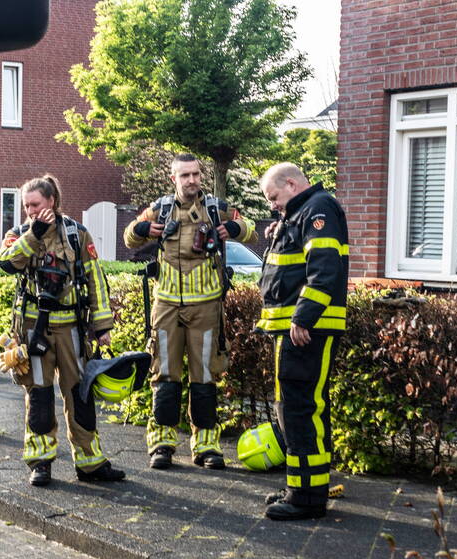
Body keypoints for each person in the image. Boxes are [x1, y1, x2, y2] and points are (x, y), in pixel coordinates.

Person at [124, 153, 256, 470]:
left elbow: (250, 228)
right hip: (167, 305)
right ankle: (161, 444)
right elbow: (129, 237)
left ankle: (207, 446)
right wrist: (144, 228)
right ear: (174, 179)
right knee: (165, 375)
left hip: (207, 306)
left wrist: (235, 228)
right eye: (185, 175)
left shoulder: (216, 208)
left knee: (205, 375)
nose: (192, 180)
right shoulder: (160, 208)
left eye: (196, 174)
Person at [0, 175, 124, 487]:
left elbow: (95, 278)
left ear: (51, 201)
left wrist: (102, 326)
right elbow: (6, 262)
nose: (30, 211)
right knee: (39, 395)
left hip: (71, 328)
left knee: (79, 394)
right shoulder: (19, 233)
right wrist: (33, 235)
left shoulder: (76, 234)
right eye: (26, 206)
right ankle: (41, 463)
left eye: (35, 205)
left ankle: (90, 462)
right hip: (33, 331)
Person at [257, 163, 349, 521]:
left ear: (292, 184)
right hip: (297, 330)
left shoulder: (318, 208)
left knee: (301, 409)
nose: (273, 205)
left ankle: (306, 498)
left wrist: (303, 316)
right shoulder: (303, 212)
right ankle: (304, 486)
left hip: (307, 331)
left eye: (274, 197)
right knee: (297, 408)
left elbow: (325, 267)